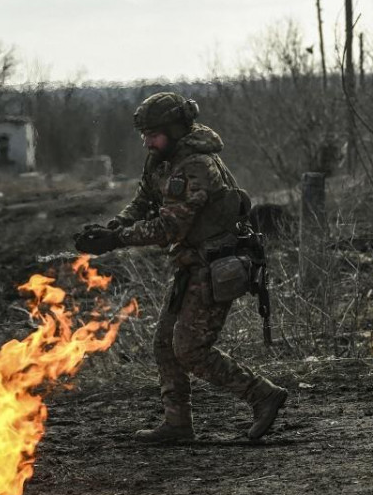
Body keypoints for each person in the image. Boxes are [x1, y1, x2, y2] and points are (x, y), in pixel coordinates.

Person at [74, 92, 287, 442]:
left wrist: (117, 240)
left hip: (215, 264)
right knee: (163, 344)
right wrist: (113, 227)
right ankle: (177, 424)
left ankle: (263, 395)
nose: (146, 141)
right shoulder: (161, 158)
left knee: (189, 350)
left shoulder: (197, 167)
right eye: (144, 134)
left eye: (153, 134)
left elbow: (169, 227)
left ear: (174, 129)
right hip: (191, 263)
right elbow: (143, 200)